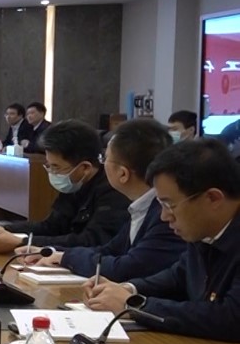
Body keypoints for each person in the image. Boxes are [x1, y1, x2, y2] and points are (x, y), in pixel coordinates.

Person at [85, 138, 240, 341]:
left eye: (169, 205)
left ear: (213, 198)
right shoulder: (203, 230)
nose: (164, 216)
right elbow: (178, 277)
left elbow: (231, 318)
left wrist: (133, 305)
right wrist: (127, 288)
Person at [36, 118, 185, 280]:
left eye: (104, 159)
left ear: (123, 173)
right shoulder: (141, 206)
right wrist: (51, 252)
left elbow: (126, 268)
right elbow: (109, 250)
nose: (101, 165)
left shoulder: (165, 214)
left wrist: (67, 258)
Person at [0, 120, 130, 253]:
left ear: (85, 167)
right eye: (49, 165)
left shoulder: (113, 191)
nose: (52, 173)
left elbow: (91, 241)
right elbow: (52, 226)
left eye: (56, 167)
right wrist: (5, 229)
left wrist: (24, 242)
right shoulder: (74, 184)